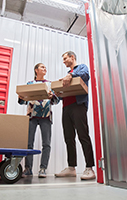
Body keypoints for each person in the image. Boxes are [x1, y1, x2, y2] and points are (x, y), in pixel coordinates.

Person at [54, 51, 96, 180]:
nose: (64, 61)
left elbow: (85, 75)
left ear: (72, 57)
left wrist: (70, 74)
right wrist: (55, 95)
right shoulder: (67, 76)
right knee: (68, 138)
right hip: (66, 107)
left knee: (83, 135)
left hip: (78, 106)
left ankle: (90, 168)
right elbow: (61, 95)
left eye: (65, 58)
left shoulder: (81, 67)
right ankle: (71, 168)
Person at [18, 63, 60, 178]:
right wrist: (21, 98)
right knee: (28, 143)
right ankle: (28, 169)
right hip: (32, 116)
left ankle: (43, 168)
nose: (45, 68)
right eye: (42, 67)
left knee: (46, 144)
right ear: (36, 70)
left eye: (45, 67)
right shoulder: (30, 84)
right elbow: (23, 102)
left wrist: (53, 97)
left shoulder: (50, 84)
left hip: (46, 117)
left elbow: (56, 101)